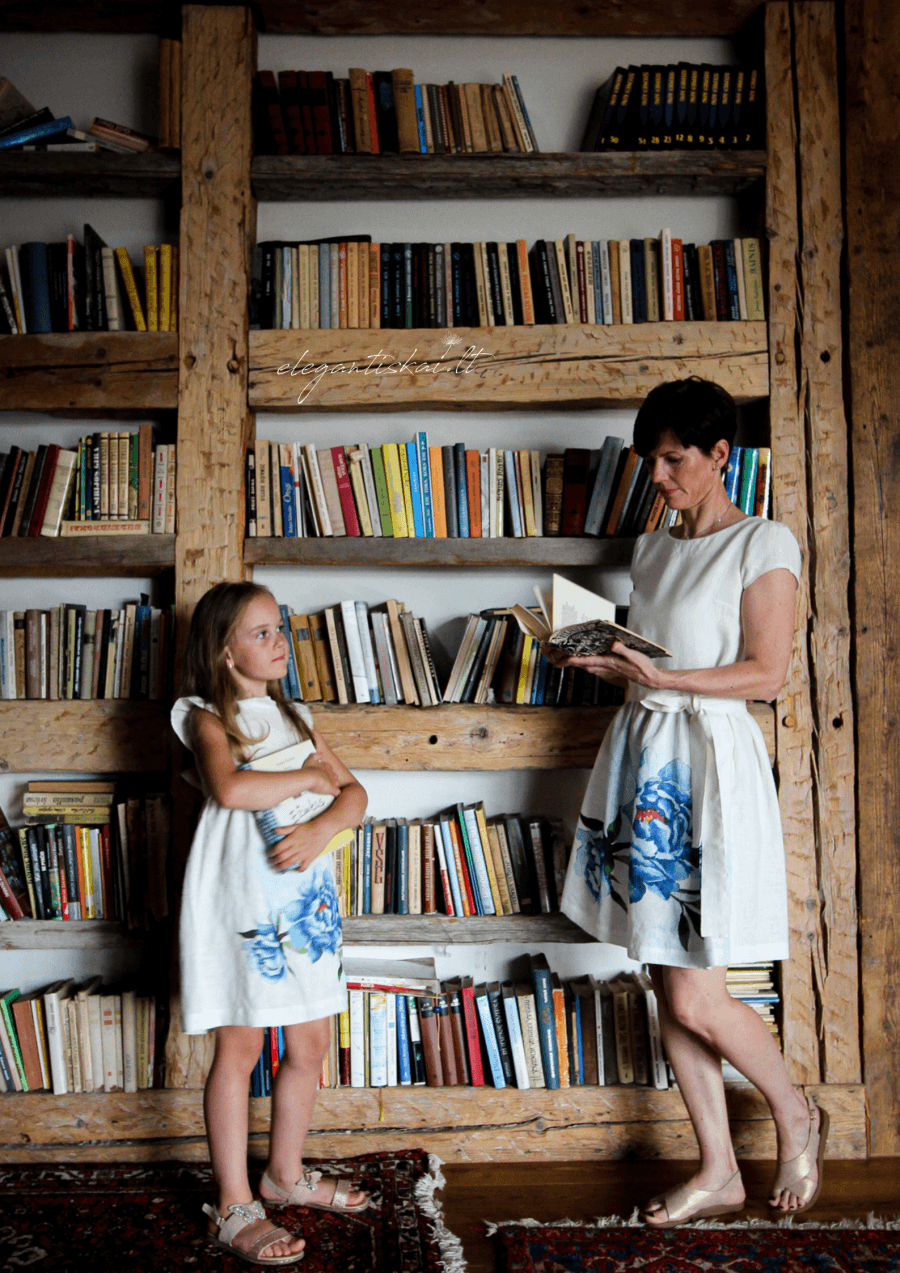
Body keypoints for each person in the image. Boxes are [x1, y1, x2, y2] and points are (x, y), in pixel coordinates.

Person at [559, 378, 828, 1227]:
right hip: (645, 750)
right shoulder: (652, 547)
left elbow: (765, 670)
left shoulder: (764, 540)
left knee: (696, 992)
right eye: (653, 460)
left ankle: (796, 1111)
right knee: (663, 974)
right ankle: (718, 1167)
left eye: (675, 459)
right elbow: (657, 657)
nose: (661, 476)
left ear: (722, 455)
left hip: (708, 767)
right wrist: (611, 663)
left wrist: (665, 675)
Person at [171, 581, 369, 1266]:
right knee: (241, 1048)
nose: (279, 640)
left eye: (279, 627)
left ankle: (285, 1170)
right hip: (243, 903)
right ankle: (232, 1202)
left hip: (305, 904)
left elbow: (356, 795)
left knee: (310, 1042)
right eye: (261, 633)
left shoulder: (297, 715)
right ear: (224, 652)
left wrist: (322, 826)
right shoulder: (204, 717)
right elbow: (230, 787)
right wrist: (307, 784)